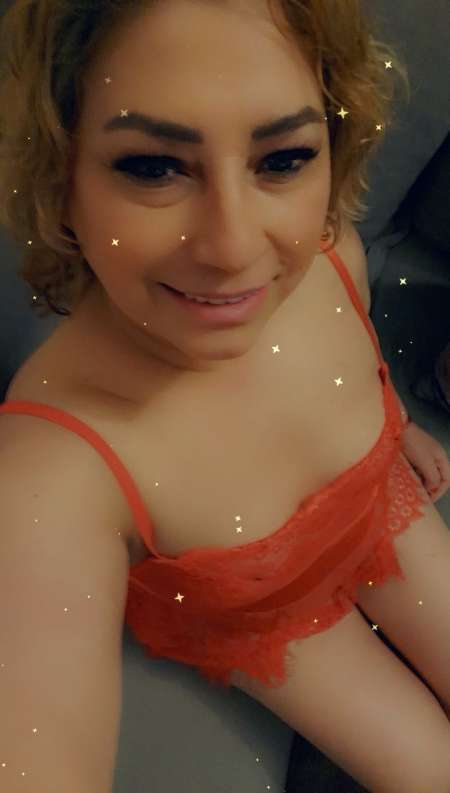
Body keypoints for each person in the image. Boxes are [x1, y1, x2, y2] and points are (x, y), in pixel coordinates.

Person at [0, 1, 449, 792]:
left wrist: (393, 419)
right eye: (153, 167)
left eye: (283, 159)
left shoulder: (330, 251)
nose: (235, 249)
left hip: (380, 502)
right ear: (59, 175)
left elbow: (357, 348)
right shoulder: (57, 464)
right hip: (275, 620)